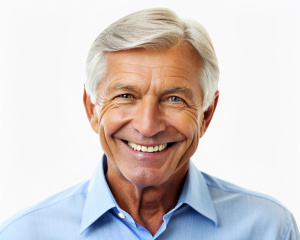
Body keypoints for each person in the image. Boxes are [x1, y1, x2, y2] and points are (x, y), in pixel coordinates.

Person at [0, 7, 299, 240]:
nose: (147, 126)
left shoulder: (270, 229)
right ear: (92, 108)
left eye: (174, 99)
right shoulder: (23, 234)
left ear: (206, 114)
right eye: (126, 95)